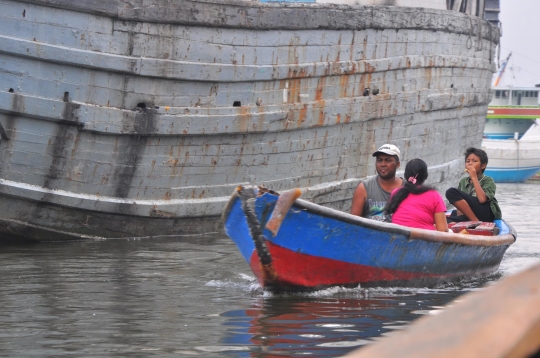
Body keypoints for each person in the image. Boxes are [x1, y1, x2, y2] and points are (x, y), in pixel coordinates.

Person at [384, 159, 448, 232]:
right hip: (424, 239)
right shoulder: (434, 195)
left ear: (405, 175)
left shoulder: (396, 192)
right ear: (426, 176)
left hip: (397, 237)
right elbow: (443, 230)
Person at [446, 147, 502, 222]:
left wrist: (474, 177)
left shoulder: (488, 180)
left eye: (474, 161)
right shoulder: (463, 181)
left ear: (483, 166)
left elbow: (482, 200)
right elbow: (459, 202)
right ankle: (470, 220)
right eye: (467, 161)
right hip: (470, 213)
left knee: (451, 192)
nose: (470, 163)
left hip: (484, 213)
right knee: (446, 220)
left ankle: (475, 221)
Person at [351, 144, 403, 221]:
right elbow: (352, 223)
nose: (383, 164)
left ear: (397, 164)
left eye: (388, 160)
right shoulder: (364, 188)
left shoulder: (406, 188)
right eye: (379, 160)